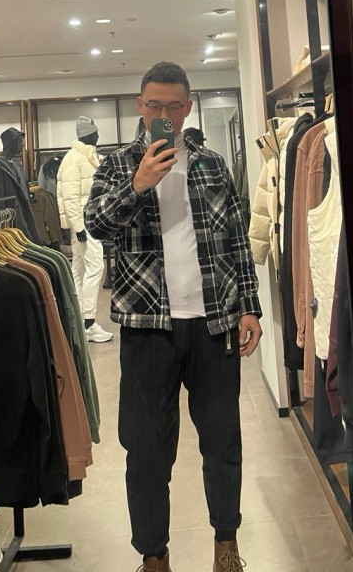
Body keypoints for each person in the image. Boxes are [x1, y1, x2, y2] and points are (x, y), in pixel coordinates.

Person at [84, 62, 262, 572]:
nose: (164, 114)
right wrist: (138, 184)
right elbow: (96, 224)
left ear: (187, 107)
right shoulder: (117, 165)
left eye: (174, 106)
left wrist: (249, 305)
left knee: (223, 441)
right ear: (140, 105)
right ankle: (154, 556)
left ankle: (226, 545)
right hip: (147, 327)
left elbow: (236, 239)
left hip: (213, 321)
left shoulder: (212, 164)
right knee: (145, 451)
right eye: (155, 105)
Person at [57, 116, 113, 343]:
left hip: (85, 221)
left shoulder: (85, 157)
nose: (98, 136)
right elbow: (69, 197)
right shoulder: (74, 159)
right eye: (96, 133)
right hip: (85, 222)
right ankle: (88, 322)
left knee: (79, 270)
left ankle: (79, 321)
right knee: (95, 267)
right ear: (89, 134)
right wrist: (79, 226)